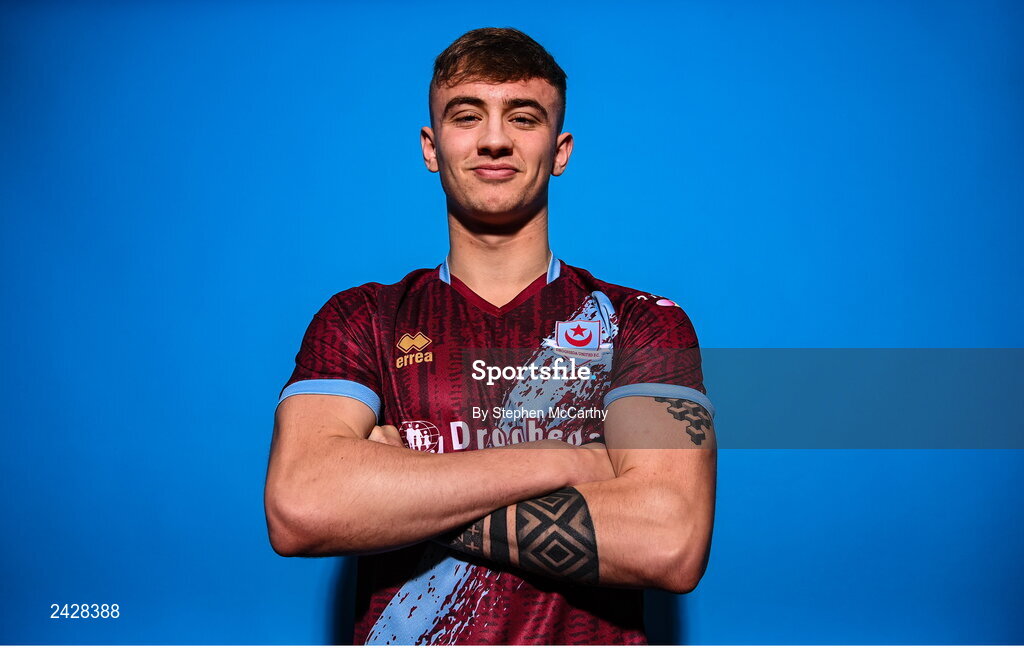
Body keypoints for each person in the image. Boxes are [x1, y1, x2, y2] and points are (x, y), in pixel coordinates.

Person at [264, 27, 716, 645]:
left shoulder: (641, 322)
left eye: (524, 117)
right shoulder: (361, 318)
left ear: (561, 150)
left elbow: (669, 541)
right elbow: (302, 508)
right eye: (466, 115)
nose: (495, 139)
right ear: (431, 146)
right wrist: (569, 461)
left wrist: (395, 491)